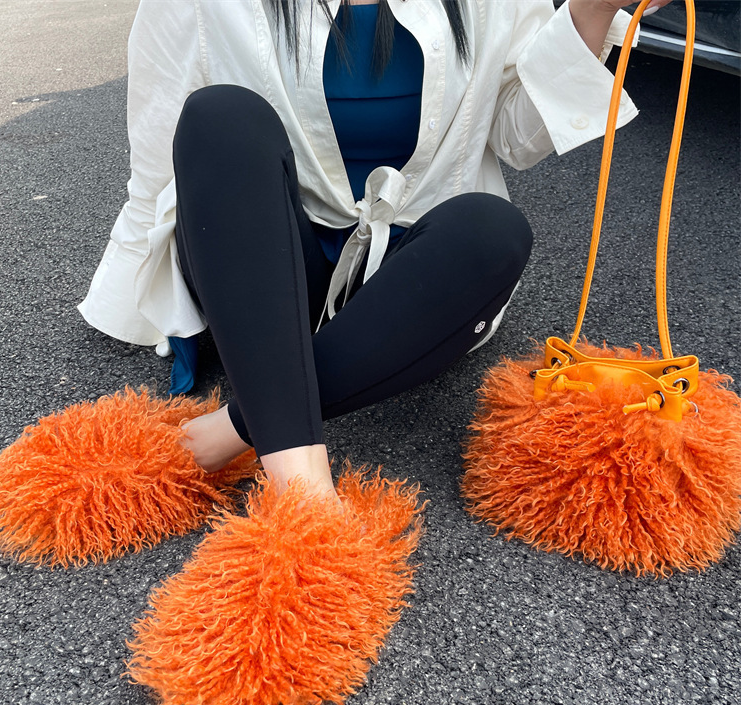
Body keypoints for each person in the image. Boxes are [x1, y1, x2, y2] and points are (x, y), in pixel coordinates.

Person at [79, 0, 669, 502]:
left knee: (494, 228)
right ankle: (305, 493)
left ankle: (229, 431)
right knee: (220, 117)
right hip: (263, 257)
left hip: (407, 277)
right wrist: (153, 301)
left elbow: (517, 139)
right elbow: (161, 158)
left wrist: (593, 8)